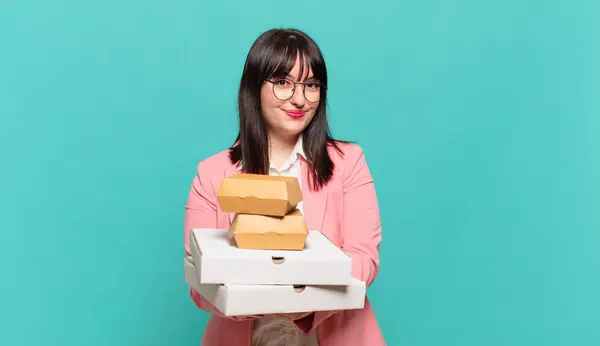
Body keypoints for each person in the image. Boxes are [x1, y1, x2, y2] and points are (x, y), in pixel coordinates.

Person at [183, 28, 385, 346]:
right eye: (282, 83)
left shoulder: (349, 163)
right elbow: (200, 284)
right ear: (254, 87)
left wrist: (295, 299)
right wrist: (269, 297)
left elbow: (364, 261)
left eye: (311, 85)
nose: (299, 99)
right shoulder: (212, 174)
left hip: (333, 335)